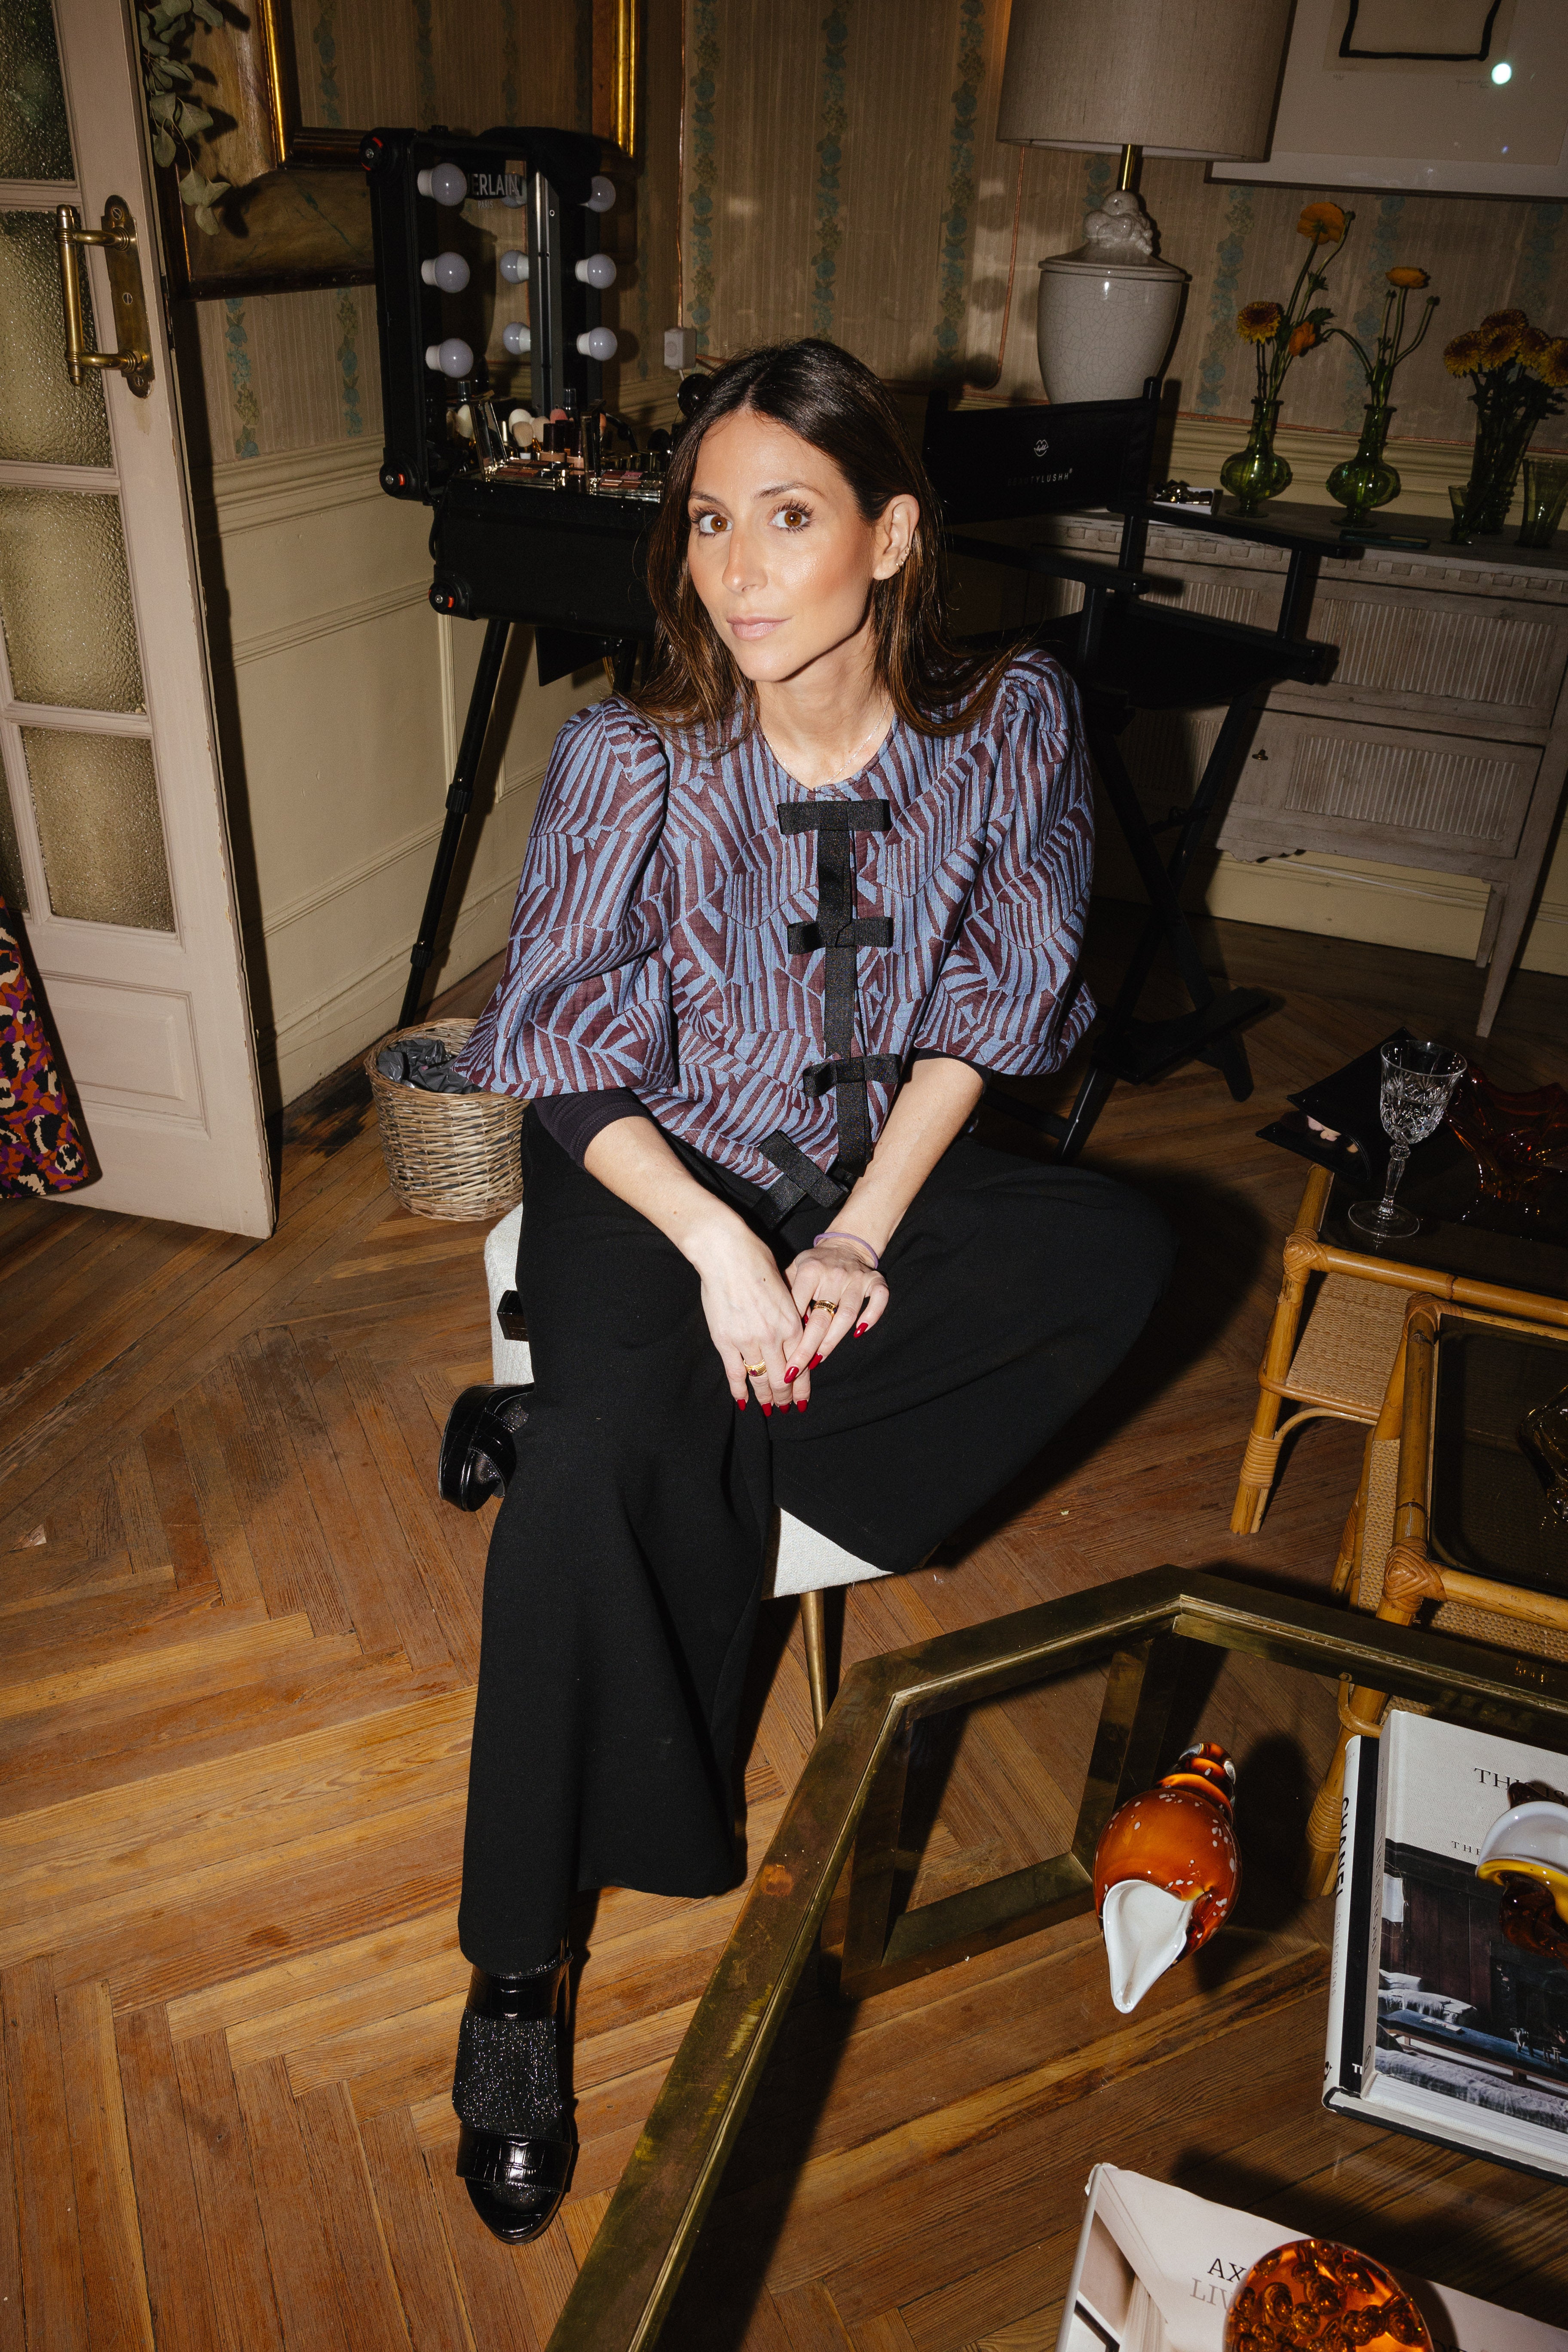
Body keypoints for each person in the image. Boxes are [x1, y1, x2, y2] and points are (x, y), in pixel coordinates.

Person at [447, 338, 1173, 2241]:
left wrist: (854, 1239)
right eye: (711, 522)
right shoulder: (631, 755)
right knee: (591, 1473)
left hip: (860, 1172)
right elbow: (558, 1049)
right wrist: (718, 1251)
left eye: (789, 518)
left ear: (895, 536)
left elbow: (993, 1006)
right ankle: (515, 1972)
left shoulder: (1007, 724)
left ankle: (615, 1421)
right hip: (649, 1166)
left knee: (1118, 1253)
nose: (738, 570)